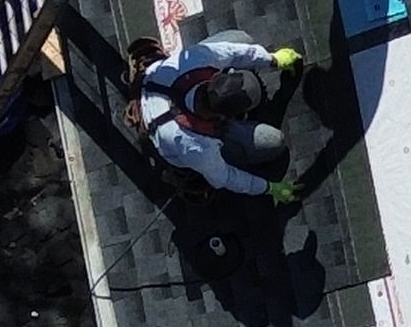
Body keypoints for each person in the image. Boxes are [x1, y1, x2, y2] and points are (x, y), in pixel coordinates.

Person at [131, 31, 307, 203]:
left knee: (242, 40)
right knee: (273, 142)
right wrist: (269, 188)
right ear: (227, 118)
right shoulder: (197, 147)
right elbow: (226, 178)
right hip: (170, 141)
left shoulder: (194, 60)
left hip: (156, 89)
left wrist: (273, 60)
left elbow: (233, 52)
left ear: (215, 76)